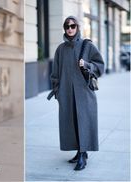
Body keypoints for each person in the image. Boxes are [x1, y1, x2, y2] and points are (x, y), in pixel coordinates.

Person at [48, 16, 104, 171]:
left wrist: (87, 65)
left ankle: (82, 155)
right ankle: (79, 151)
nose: (70, 29)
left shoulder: (87, 46)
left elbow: (100, 66)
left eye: (73, 26)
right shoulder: (60, 49)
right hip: (66, 94)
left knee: (83, 123)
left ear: (78, 27)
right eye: (67, 26)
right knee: (70, 123)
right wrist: (58, 91)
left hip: (84, 94)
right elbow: (55, 74)